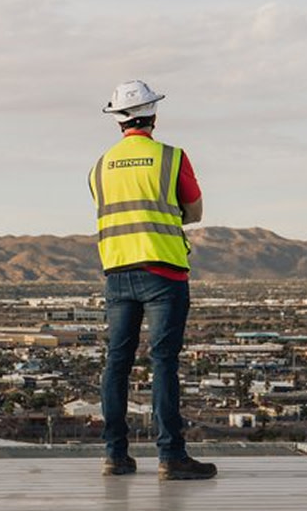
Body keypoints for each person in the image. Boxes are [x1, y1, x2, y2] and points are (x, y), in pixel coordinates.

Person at [89, 81, 216, 481]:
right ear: (153, 115)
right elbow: (193, 212)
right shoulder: (171, 158)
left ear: (117, 120)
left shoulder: (100, 166)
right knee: (163, 363)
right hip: (163, 272)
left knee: (117, 363)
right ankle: (171, 457)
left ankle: (115, 455)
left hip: (118, 273)